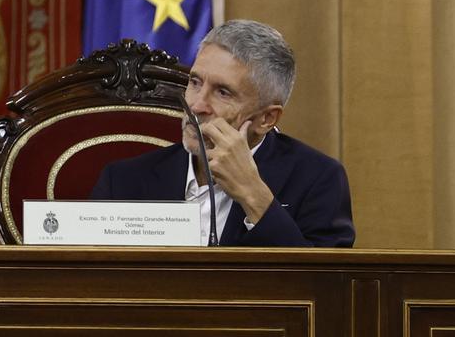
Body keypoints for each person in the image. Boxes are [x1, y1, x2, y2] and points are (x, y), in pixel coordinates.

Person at [91, 19, 355, 247]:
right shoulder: (123, 181)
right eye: (194, 83)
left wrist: (253, 194)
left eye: (223, 92)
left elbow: (322, 290)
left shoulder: (317, 180)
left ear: (266, 118)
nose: (196, 105)